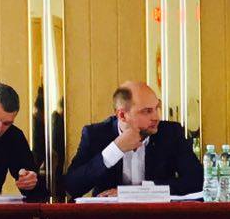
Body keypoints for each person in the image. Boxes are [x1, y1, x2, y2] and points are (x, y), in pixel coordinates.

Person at [64, 81, 202, 198]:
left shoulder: (170, 133)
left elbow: (197, 181)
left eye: (157, 108)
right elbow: (72, 187)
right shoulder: (96, 135)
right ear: (122, 115)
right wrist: (115, 149)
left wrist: (136, 192)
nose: (156, 117)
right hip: (109, 218)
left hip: (158, 217)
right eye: (147, 111)